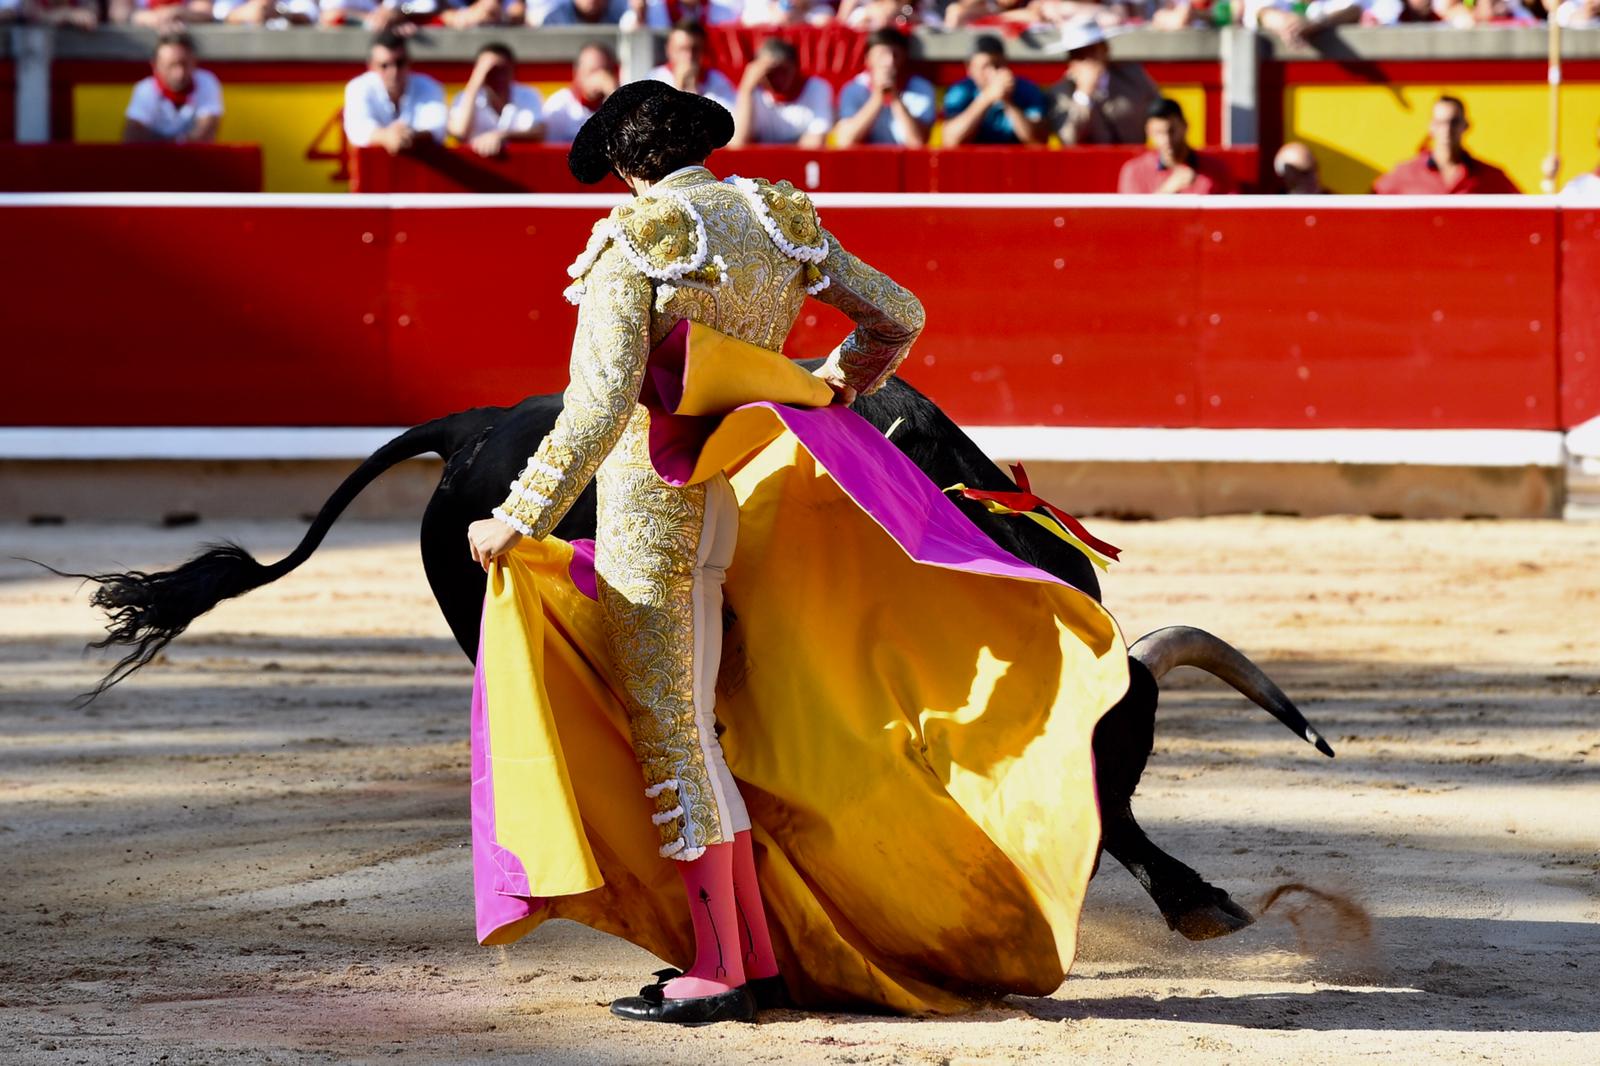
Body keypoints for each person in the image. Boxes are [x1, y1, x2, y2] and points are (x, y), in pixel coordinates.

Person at [462, 78, 1126, 1025]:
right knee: (698, 732)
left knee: (675, 736)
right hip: (725, 496)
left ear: (622, 165)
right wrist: (831, 384)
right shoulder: (776, 219)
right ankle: (752, 957)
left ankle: (721, 971)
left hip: (649, 508)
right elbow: (898, 313)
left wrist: (522, 514)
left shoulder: (633, 238)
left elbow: (601, 405)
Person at [1373, 96, 1519, 195]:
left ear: (1466, 125)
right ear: (1431, 127)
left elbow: (1523, 212)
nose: (1447, 129)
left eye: (1454, 122)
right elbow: (1369, 207)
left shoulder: (1489, 176)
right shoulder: (1405, 174)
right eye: (1441, 122)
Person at [1047, 19, 1159, 147]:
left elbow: (1159, 113)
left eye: (1091, 50)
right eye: (1078, 54)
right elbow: (1068, 139)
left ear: (1105, 49)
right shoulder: (1060, 93)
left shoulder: (1133, 77)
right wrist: (1084, 94)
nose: (1088, 59)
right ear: (1071, 61)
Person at [342, 30, 447, 154]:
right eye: (384, 65)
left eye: (399, 63)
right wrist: (387, 137)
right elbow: (358, 130)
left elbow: (437, 128)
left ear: (409, 62)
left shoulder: (429, 86)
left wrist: (405, 137)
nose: (394, 72)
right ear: (371, 66)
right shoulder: (358, 87)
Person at [832, 27, 936, 148]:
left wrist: (895, 98)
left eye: (895, 55)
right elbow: (845, 140)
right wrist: (878, 97)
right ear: (868, 58)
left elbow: (917, 142)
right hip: (863, 158)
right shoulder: (853, 89)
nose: (889, 62)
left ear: (904, 57)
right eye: (881, 54)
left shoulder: (921, 88)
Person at [941, 34, 1049, 147]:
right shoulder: (960, 91)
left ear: (1006, 63)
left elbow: (1038, 141)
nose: (993, 72)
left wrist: (1008, 102)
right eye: (985, 67)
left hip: (1016, 157)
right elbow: (951, 140)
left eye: (998, 65)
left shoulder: (1027, 89)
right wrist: (987, 98)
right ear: (969, 68)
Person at [1117, 97, 1237, 195]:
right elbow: (1131, 215)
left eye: (1172, 131)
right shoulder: (1134, 171)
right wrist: (1168, 189)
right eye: (1159, 132)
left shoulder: (1217, 169)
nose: (1167, 139)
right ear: (1149, 133)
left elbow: (1233, 212)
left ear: (1185, 126)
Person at [729, 38, 833, 148]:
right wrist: (746, 89)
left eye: (783, 71)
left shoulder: (815, 88)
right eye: (770, 72)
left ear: (795, 68)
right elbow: (738, 143)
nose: (777, 78)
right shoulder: (753, 92)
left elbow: (815, 143)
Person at [122, 32, 223, 144]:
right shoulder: (145, 90)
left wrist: (163, 145)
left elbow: (207, 131)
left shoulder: (207, 82)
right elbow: (133, 136)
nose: (179, 74)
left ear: (194, 62)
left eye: (184, 64)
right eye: (171, 65)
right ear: (155, 65)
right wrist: (180, 143)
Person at [448, 43, 545, 157]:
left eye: (502, 69)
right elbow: (459, 131)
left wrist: (501, 135)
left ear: (512, 69)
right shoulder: (464, 97)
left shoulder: (528, 95)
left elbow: (539, 132)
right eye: (491, 70)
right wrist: (475, 83)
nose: (498, 76)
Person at [647, 19, 737, 113]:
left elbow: (731, 118)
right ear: (669, 49)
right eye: (682, 49)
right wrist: (678, 86)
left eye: (695, 49)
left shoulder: (716, 80)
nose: (689, 56)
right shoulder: (655, 79)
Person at [542, 42, 620, 144]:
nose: (601, 77)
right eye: (593, 71)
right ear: (578, 72)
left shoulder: (617, 101)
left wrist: (614, 95)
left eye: (606, 71)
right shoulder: (559, 105)